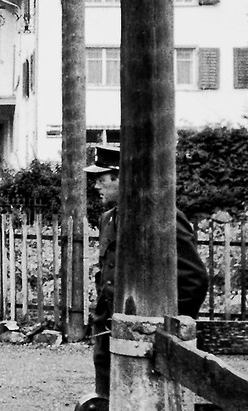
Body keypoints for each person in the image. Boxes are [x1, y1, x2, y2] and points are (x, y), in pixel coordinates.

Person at [84, 145, 208, 404]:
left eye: (102, 178)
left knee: (143, 401)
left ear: (122, 179)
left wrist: (167, 326)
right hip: (109, 328)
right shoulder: (108, 219)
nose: (96, 186)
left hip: (146, 336)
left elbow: (194, 279)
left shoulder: (162, 217)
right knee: (108, 399)